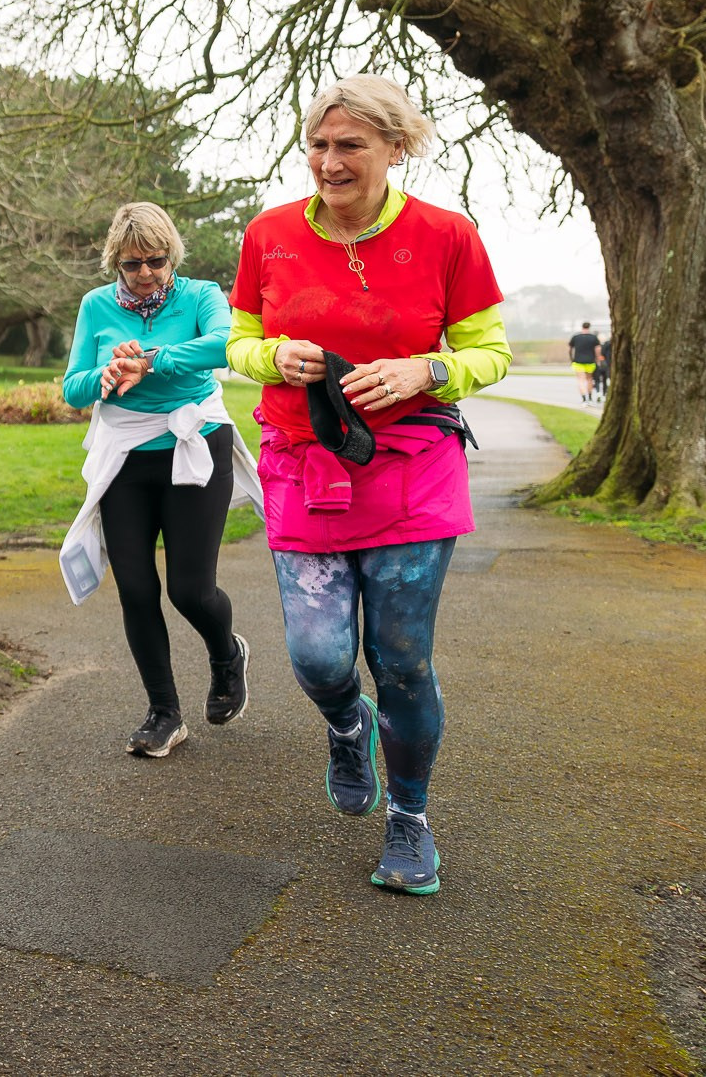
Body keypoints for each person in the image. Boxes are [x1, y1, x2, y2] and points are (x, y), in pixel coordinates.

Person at [226, 74, 513, 896]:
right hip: (304, 462)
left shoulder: (446, 236)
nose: (329, 160)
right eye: (318, 144)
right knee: (318, 656)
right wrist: (272, 356)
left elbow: (490, 351)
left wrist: (428, 367)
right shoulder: (270, 235)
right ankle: (347, 724)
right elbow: (240, 338)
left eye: (349, 144)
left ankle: (411, 817)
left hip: (412, 469)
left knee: (403, 659)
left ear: (396, 146)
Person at [58, 202, 253, 758]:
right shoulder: (95, 306)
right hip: (126, 455)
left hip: (194, 442)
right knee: (137, 589)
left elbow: (223, 347)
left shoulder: (200, 295)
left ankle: (225, 655)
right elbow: (72, 387)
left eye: (156, 260)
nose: (145, 273)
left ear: (173, 255)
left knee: (189, 588)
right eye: (131, 264)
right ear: (114, 262)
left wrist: (150, 360)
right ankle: (164, 712)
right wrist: (107, 372)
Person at [567, 322, 601, 403]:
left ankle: (584, 399)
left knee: (581, 380)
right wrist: (598, 360)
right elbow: (598, 349)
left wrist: (571, 359)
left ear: (582, 327)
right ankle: (589, 397)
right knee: (589, 379)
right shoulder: (593, 337)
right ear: (589, 327)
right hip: (590, 361)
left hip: (578, 361)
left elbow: (569, 349)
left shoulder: (576, 337)